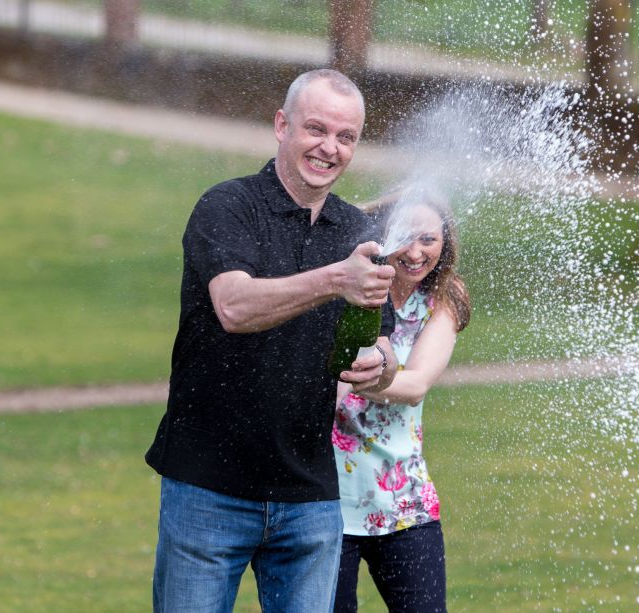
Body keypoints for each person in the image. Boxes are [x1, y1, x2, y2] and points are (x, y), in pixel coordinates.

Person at [145, 69, 399, 613]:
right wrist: (336, 279)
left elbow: (385, 348)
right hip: (207, 489)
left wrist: (379, 363)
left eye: (346, 137)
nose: (329, 148)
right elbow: (234, 306)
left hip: (309, 498)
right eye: (315, 128)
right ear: (281, 125)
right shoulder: (228, 206)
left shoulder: (358, 232)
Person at [331, 187, 471, 613]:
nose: (415, 251)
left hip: (404, 499)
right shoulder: (346, 290)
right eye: (405, 236)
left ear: (444, 243)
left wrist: (348, 377)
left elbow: (415, 385)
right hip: (326, 503)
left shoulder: (444, 300)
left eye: (428, 239)